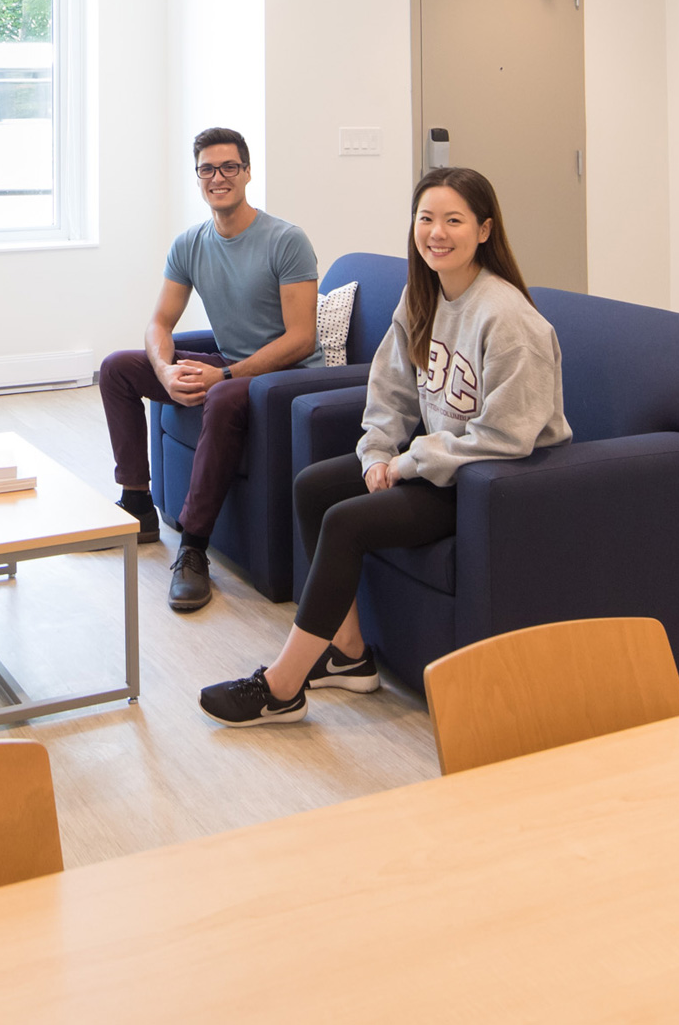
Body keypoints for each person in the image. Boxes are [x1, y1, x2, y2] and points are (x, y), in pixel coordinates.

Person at [199, 168, 571, 726]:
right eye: (426, 219)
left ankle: (282, 686)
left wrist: (409, 462)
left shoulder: (509, 317)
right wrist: (376, 453)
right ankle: (349, 655)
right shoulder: (422, 296)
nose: (436, 233)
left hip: (495, 479)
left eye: (454, 220)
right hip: (446, 460)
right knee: (313, 486)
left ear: (485, 230)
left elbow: (506, 437)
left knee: (347, 522)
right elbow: (389, 391)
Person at [99, 127, 321, 613]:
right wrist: (164, 370)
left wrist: (223, 376)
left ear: (246, 172)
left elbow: (302, 337)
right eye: (207, 169)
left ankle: (194, 548)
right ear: (197, 177)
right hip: (234, 366)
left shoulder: (286, 240)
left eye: (229, 167)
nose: (218, 177)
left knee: (219, 394)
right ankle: (137, 505)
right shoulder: (191, 244)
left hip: (288, 378)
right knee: (116, 368)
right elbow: (159, 322)